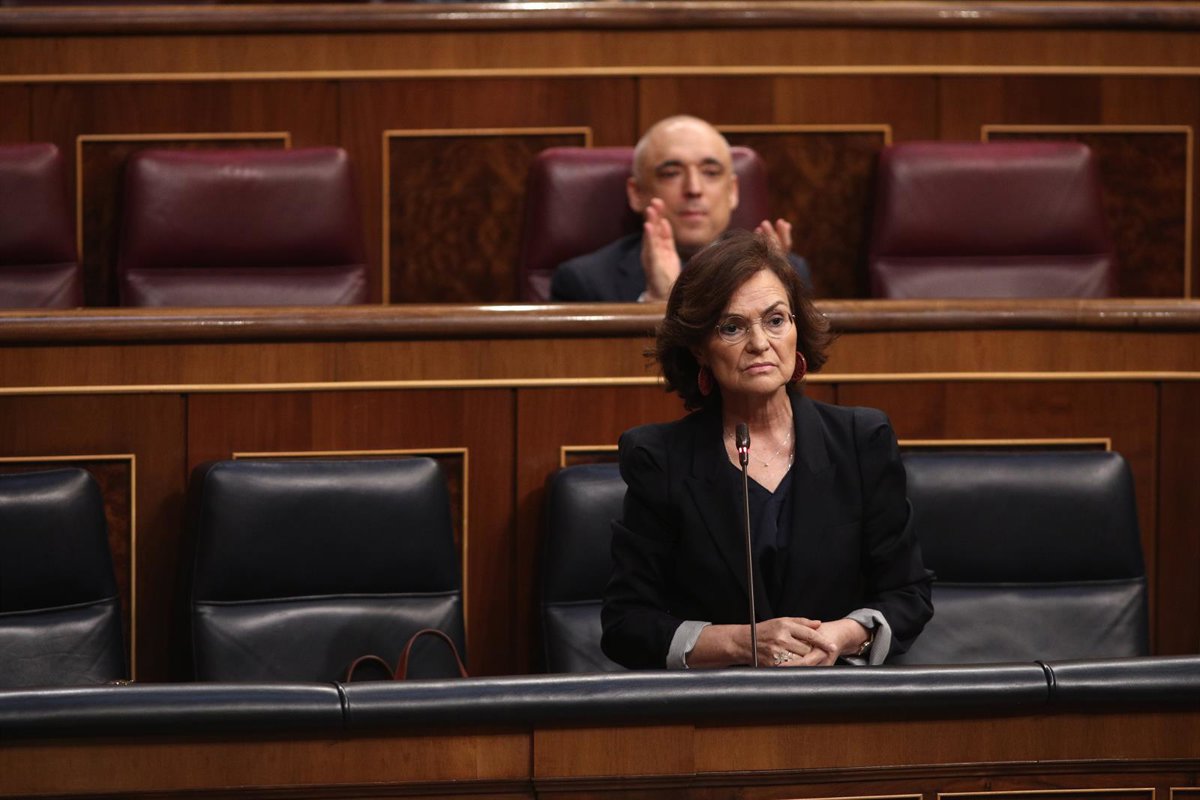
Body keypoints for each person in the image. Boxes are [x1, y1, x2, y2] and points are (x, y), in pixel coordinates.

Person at [601, 229, 932, 669]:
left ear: (796, 329)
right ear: (699, 348)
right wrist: (740, 642)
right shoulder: (659, 459)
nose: (760, 343)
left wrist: (844, 636)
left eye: (775, 320)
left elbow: (908, 594)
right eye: (732, 327)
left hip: (837, 692)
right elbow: (625, 624)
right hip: (719, 700)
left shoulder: (861, 441)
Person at [549, 115, 811, 303]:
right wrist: (658, 301)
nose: (694, 188)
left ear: (732, 191)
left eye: (710, 172)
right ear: (637, 193)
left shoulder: (786, 269)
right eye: (671, 173)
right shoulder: (585, 282)